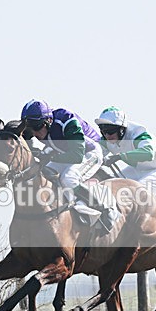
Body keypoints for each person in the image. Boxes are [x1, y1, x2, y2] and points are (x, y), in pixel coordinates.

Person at [20, 99, 117, 231]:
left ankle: (103, 209)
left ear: (48, 121)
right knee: (44, 173)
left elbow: (77, 155)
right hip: (65, 153)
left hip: (89, 153)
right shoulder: (37, 125)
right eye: (29, 129)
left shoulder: (67, 120)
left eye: (36, 127)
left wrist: (48, 156)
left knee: (69, 178)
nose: (34, 134)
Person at [94, 106, 156, 197]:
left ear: (121, 129)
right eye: (103, 131)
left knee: (135, 193)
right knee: (110, 185)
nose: (107, 135)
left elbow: (148, 153)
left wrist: (119, 156)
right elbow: (94, 155)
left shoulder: (137, 133)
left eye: (110, 131)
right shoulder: (105, 140)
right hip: (139, 168)